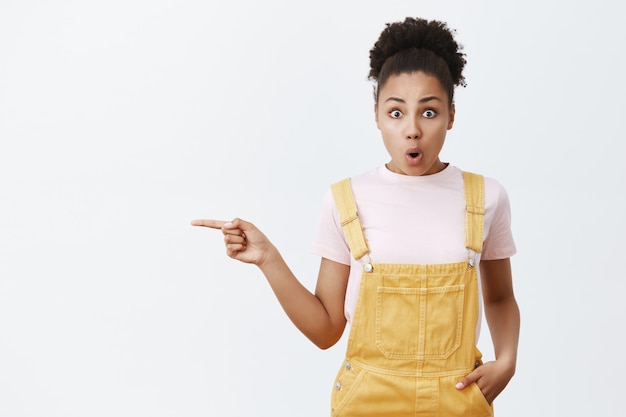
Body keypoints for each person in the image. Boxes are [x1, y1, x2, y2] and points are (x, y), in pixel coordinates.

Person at [192, 17, 520, 417]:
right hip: (366, 404)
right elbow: (327, 329)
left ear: (451, 115)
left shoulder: (486, 197)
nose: (412, 130)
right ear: (377, 115)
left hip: (457, 401)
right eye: (396, 113)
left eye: (429, 113)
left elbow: (500, 297)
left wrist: (507, 361)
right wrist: (268, 258)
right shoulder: (347, 199)